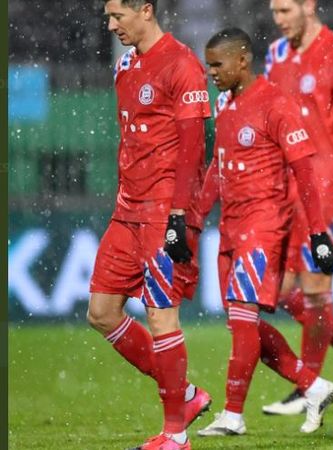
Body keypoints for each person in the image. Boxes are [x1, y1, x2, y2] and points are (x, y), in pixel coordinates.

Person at [194, 27, 333, 436]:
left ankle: (233, 415)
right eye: (208, 66)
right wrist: (194, 218)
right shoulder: (224, 104)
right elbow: (217, 170)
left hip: (263, 226)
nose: (212, 73)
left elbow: (305, 172)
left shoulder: (276, 103)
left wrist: (318, 233)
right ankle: (313, 385)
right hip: (231, 227)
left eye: (217, 65)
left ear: (243, 60)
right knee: (244, 324)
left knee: (243, 319)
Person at [88, 1, 212, 448]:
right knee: (101, 313)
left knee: (161, 316)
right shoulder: (125, 65)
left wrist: (180, 215)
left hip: (163, 213)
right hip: (127, 211)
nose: (111, 24)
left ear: (145, 9)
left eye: (118, 15)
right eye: (108, 17)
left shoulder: (182, 65)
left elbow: (193, 147)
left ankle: (175, 435)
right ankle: (188, 397)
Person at [261, 0, 333, 415]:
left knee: (314, 288)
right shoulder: (275, 55)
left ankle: (311, 385)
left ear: (309, 5)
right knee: (279, 291)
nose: (279, 19)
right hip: (285, 188)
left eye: (286, 9)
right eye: (274, 11)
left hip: (328, 188)